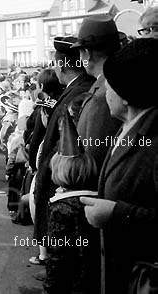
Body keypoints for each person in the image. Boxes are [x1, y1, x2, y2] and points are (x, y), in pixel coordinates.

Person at [80, 38, 158, 294]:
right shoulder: (127, 128)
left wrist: (116, 213)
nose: (105, 93)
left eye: (109, 86)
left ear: (125, 95)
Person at [31, 36, 94, 266]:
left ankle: (55, 270)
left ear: (62, 65)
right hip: (57, 173)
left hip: (63, 177)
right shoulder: (75, 88)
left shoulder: (78, 91)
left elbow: (70, 139)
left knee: (64, 247)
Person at [44, 110, 100, 294]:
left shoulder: (61, 208)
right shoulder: (95, 200)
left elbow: (57, 257)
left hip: (69, 283)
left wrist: (50, 289)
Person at [71, 16, 122, 170]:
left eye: (80, 52)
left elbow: (94, 158)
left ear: (87, 53)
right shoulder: (107, 84)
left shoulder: (104, 95)